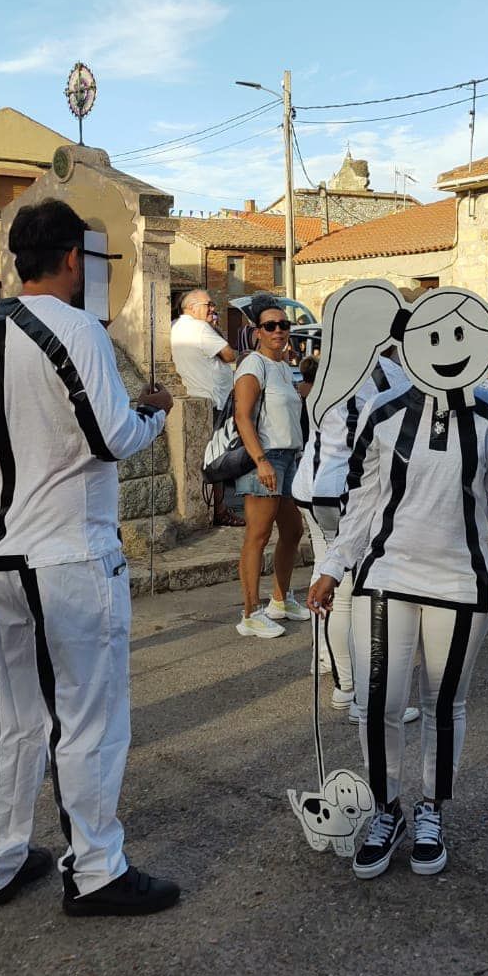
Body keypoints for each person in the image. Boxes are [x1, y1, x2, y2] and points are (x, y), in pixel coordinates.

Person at [0, 198, 179, 917]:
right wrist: (157, 409)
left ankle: (0, 855)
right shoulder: (78, 329)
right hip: (70, 554)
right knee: (89, 713)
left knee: (9, 712)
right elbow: (114, 436)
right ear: (75, 258)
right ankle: (96, 868)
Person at [307, 284, 488, 881]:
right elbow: (361, 500)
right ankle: (387, 810)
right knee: (377, 701)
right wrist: (331, 567)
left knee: (443, 705)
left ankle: (432, 809)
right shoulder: (384, 412)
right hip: (387, 575)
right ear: (407, 344)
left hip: (463, 581)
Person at [292, 345, 411, 718]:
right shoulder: (385, 373)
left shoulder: (323, 367)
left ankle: (331, 665)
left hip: (312, 486)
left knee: (327, 576)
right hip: (348, 489)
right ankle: (355, 692)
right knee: (352, 593)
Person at [232, 294, 307, 639]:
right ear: (257, 332)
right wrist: (261, 460)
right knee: (258, 535)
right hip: (266, 457)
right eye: (270, 326)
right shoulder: (254, 366)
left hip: (289, 457)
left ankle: (280, 598)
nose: (279, 330)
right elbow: (242, 416)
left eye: (284, 325)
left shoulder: (283, 366)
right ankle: (250, 612)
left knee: (293, 530)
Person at [171, 289, 242, 526]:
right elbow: (229, 355)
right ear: (191, 307)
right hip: (214, 400)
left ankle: (218, 509)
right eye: (208, 305)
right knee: (219, 457)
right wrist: (215, 328)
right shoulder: (201, 329)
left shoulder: (177, 326)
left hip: (198, 397)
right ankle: (220, 511)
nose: (213, 309)